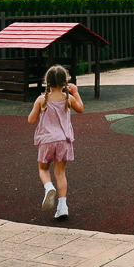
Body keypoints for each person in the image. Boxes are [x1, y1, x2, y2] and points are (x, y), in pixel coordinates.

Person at [27, 65, 84, 220]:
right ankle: (63, 206)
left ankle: (48, 187)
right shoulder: (68, 98)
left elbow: (31, 120)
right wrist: (76, 93)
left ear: (47, 81)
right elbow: (81, 109)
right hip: (63, 141)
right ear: (66, 81)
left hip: (46, 140)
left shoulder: (41, 99)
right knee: (60, 173)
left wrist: (37, 108)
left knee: (43, 169)